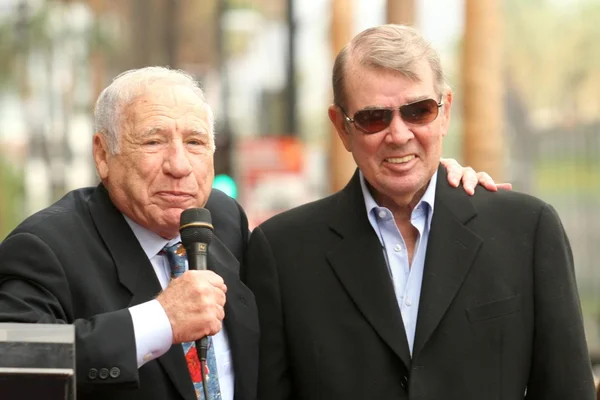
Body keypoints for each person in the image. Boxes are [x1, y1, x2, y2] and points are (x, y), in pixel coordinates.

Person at [0, 66, 492, 400]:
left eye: (195, 142)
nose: (179, 166)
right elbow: (13, 365)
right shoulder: (46, 248)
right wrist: (158, 321)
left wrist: (424, 183)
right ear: (103, 155)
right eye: (153, 141)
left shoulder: (222, 220)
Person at [243, 25, 595, 400]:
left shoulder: (527, 231)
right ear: (341, 127)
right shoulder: (283, 252)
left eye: (418, 111)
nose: (398, 134)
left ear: (444, 112)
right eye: (374, 117)